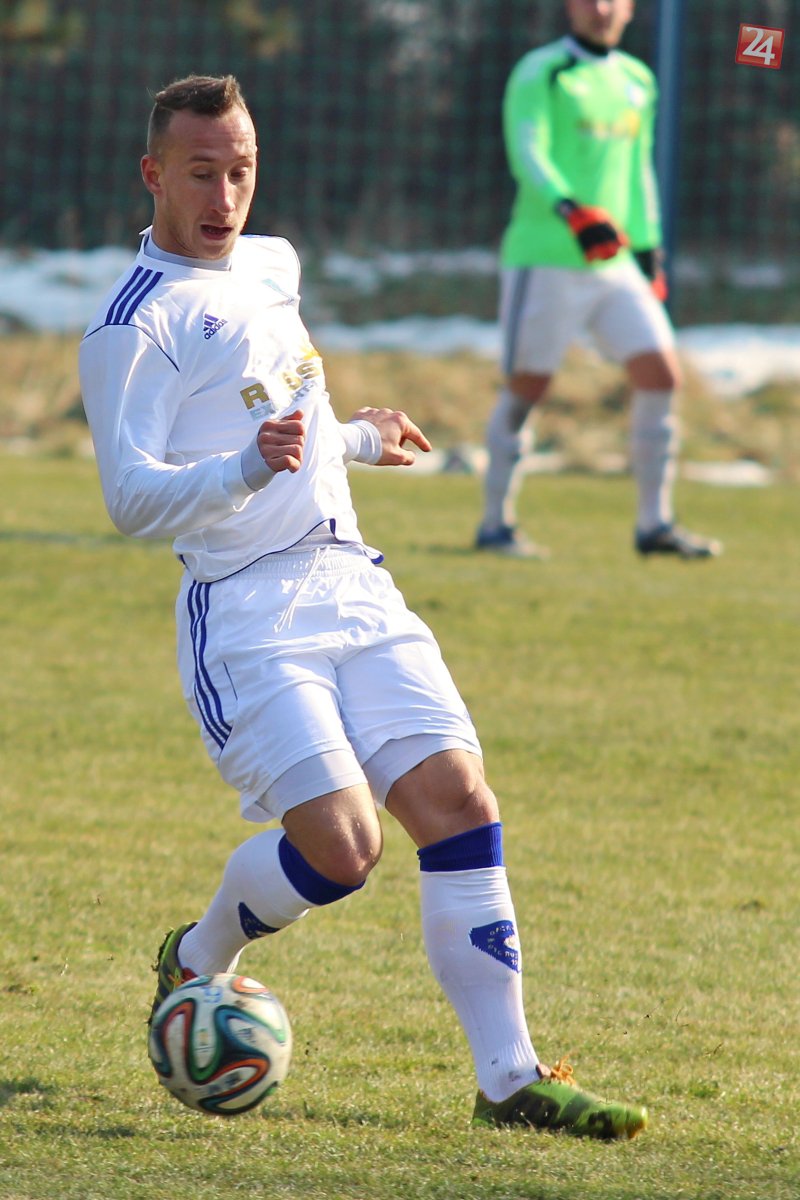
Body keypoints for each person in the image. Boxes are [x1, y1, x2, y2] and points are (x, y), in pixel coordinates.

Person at [79, 72, 647, 1139]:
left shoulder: (273, 265)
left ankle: (509, 1079)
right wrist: (243, 471)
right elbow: (128, 497)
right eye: (200, 173)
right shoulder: (134, 324)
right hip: (244, 609)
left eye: (241, 170)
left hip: (351, 579)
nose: (224, 195)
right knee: (344, 851)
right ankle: (197, 957)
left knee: (460, 802)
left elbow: (281, 411)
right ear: (153, 174)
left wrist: (354, 440)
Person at [476, 0, 721, 560]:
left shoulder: (637, 79)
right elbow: (528, 152)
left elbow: (638, 171)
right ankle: (495, 525)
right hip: (546, 258)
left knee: (661, 375)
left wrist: (649, 246)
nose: (601, 8)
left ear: (630, 9)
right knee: (527, 387)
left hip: (614, 263)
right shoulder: (543, 70)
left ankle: (654, 526)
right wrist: (570, 210)